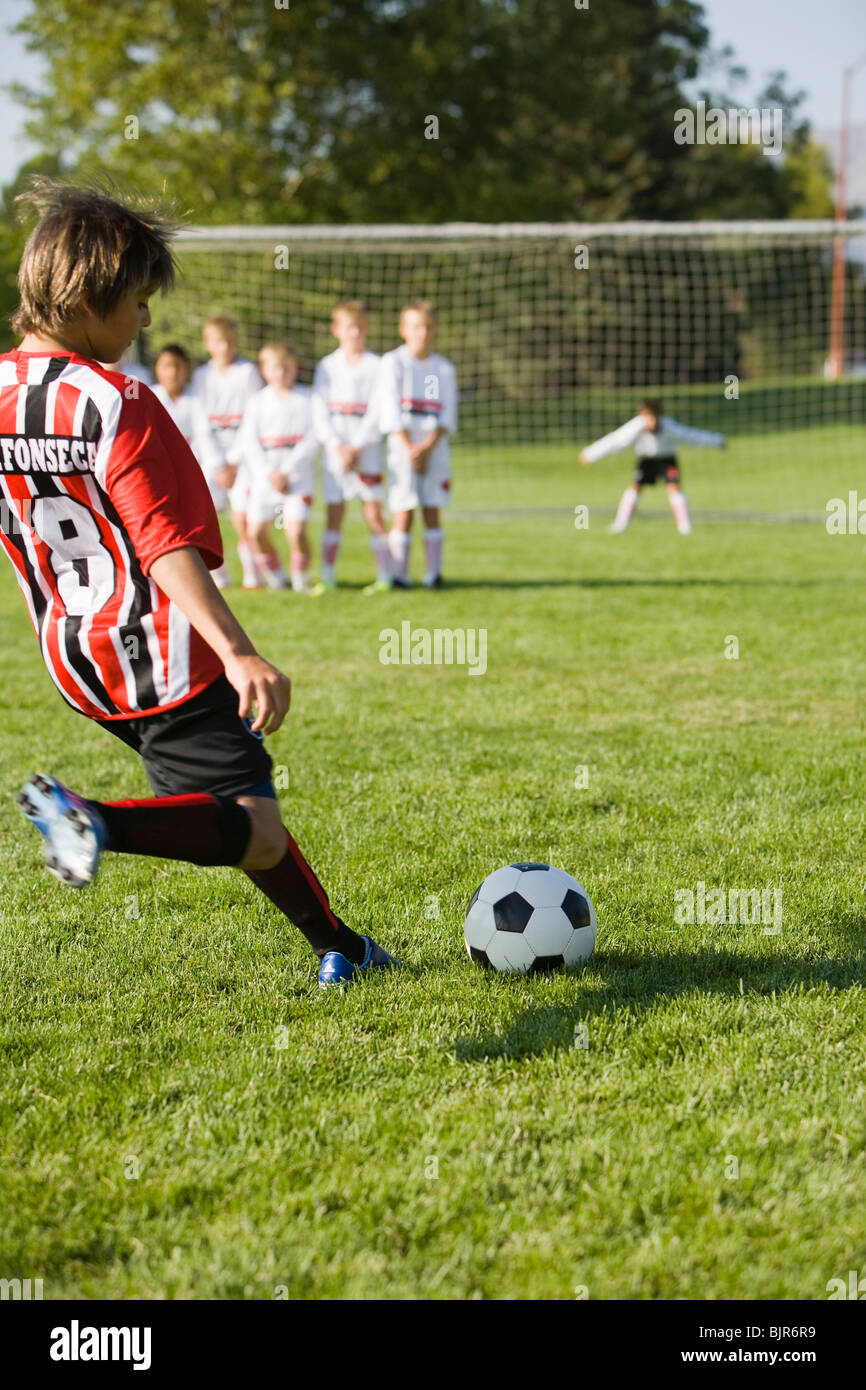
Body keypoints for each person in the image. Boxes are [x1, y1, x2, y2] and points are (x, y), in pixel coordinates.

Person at [2, 181, 398, 989]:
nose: (146, 322)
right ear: (87, 297)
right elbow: (163, 542)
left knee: (234, 806)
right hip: (158, 656)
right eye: (140, 302)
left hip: (75, 661)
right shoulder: (118, 402)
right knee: (251, 827)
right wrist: (241, 652)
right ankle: (90, 820)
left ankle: (344, 948)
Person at [311, 301, 391, 594]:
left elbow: (379, 409)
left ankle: (386, 576)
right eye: (348, 327)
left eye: (359, 327)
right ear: (337, 330)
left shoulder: (377, 365)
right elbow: (319, 410)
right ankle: (327, 577)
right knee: (334, 513)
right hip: (336, 454)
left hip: (365, 452)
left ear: (366, 329)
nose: (354, 333)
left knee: (373, 513)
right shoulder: (327, 366)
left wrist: (357, 446)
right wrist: (336, 445)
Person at [378, 301, 457, 588]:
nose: (420, 333)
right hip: (402, 448)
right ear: (403, 330)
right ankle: (400, 575)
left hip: (433, 447)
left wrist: (427, 446)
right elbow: (388, 408)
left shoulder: (442, 368)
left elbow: (446, 412)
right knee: (403, 508)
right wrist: (409, 446)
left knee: (432, 507)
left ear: (434, 330)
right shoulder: (393, 363)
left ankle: (433, 575)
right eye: (414, 326)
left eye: (426, 327)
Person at [232, 341, 317, 593]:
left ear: (295, 368)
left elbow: (313, 437)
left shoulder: (308, 398)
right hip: (265, 479)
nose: (281, 373)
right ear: (264, 370)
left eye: (286, 367)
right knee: (256, 532)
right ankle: (277, 578)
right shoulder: (257, 402)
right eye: (274, 368)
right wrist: (270, 473)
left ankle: (302, 581)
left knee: (295, 531)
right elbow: (249, 441)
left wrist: (286, 471)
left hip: (297, 478)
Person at [190, 316, 264, 588]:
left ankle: (252, 575)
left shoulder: (248, 372)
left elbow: (253, 419)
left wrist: (233, 461)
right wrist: (218, 462)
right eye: (219, 342)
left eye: (230, 341)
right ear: (208, 344)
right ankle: (217, 577)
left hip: (243, 459)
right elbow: (201, 423)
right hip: (212, 459)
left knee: (242, 517)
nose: (225, 347)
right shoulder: (201, 376)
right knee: (203, 518)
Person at [580, 399, 726, 534]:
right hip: (647, 460)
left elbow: (690, 435)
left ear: (659, 416)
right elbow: (616, 440)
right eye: (645, 417)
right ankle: (621, 524)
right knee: (635, 487)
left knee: (674, 488)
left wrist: (717, 441)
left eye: (652, 417)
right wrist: (591, 453)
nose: (649, 421)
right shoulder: (636, 426)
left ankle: (684, 527)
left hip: (667, 460)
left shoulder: (669, 426)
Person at [152, 342, 232, 588]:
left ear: (186, 369)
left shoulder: (195, 402)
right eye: (167, 366)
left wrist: (216, 467)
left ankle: (219, 576)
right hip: (159, 476)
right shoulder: (149, 396)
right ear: (157, 369)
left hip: (192, 476)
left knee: (198, 526)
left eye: (178, 367)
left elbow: (205, 437)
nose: (173, 373)